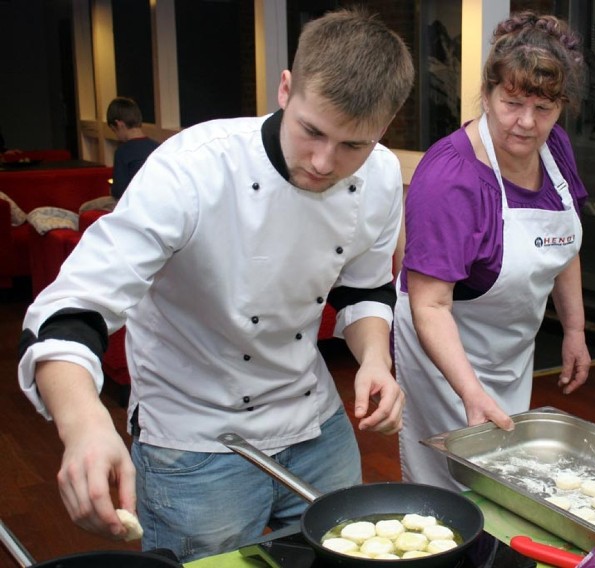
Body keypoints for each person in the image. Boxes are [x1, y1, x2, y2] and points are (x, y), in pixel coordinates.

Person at [17, 8, 413, 562]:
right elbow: (71, 310)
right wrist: (84, 423)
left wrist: (374, 359)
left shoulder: (380, 179)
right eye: (312, 131)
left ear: (385, 127)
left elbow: (363, 289)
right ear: (286, 88)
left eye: (354, 145)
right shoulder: (193, 169)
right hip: (195, 440)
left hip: (315, 422)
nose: (325, 162)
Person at [393, 11, 591, 490]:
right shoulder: (450, 179)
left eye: (543, 108)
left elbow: (563, 244)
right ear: (486, 93)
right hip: (444, 353)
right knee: (454, 488)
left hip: (511, 349)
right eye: (512, 103)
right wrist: (470, 391)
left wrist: (575, 329)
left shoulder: (555, 148)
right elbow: (430, 303)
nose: (526, 123)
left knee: (508, 481)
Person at [106, 97, 160, 200]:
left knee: (85, 207)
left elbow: (119, 191)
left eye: (114, 130)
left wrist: (111, 189)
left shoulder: (122, 152)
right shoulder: (157, 147)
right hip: (155, 200)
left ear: (119, 124)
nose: (116, 136)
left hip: (133, 203)